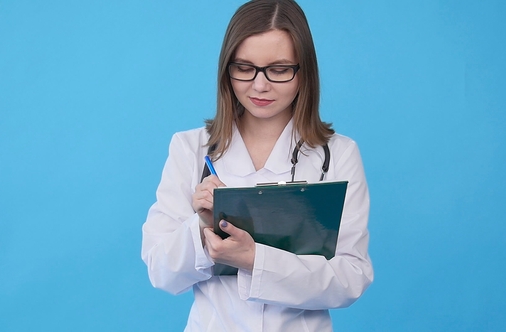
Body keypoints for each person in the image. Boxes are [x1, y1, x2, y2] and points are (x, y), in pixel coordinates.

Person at [141, 0, 373, 330]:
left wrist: (255, 260)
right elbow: (160, 271)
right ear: (227, 68)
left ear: (303, 71)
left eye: (278, 70)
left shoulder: (338, 154)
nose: (259, 85)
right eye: (244, 68)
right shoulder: (190, 149)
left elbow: (351, 278)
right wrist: (202, 227)